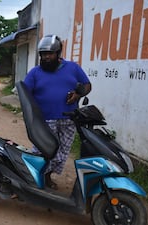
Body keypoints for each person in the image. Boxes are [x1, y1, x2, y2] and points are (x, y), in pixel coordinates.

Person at [24, 34, 91, 189]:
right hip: (45, 120)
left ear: (58, 53)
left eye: (49, 54)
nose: (46, 57)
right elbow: (25, 93)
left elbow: (87, 85)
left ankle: (46, 176)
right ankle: (38, 178)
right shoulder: (35, 73)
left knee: (62, 153)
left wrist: (78, 94)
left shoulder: (73, 68)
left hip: (69, 119)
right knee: (43, 151)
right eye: (43, 54)